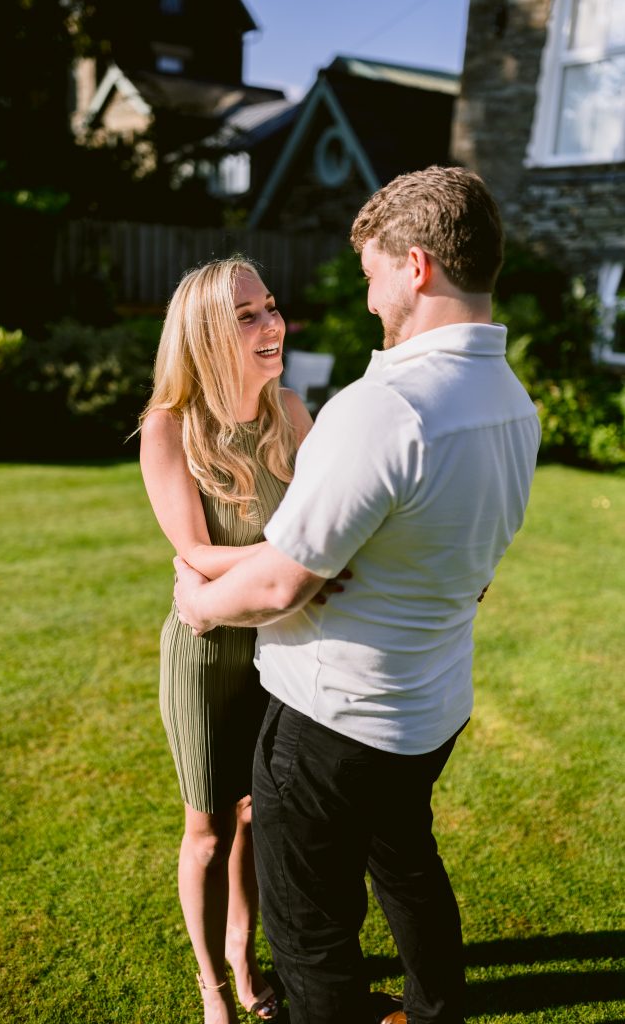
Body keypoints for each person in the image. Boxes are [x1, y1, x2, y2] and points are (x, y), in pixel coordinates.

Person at [172, 166, 541, 1024]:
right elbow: (479, 567)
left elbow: (277, 581)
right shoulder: (513, 404)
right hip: (430, 709)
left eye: (372, 271)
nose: (368, 293)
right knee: (408, 865)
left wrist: (198, 605)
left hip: (334, 719)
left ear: (415, 266)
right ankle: (433, 1010)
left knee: (311, 934)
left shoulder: (384, 406)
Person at [139, 257, 313, 1024]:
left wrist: (306, 558)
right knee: (207, 830)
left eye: (269, 307)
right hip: (207, 655)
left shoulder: (294, 416)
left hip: (284, 650)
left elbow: (323, 535)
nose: (270, 324)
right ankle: (213, 990)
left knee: (254, 815)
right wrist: (301, 559)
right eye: (247, 315)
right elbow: (195, 554)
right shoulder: (169, 427)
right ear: (206, 332)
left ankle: (244, 956)